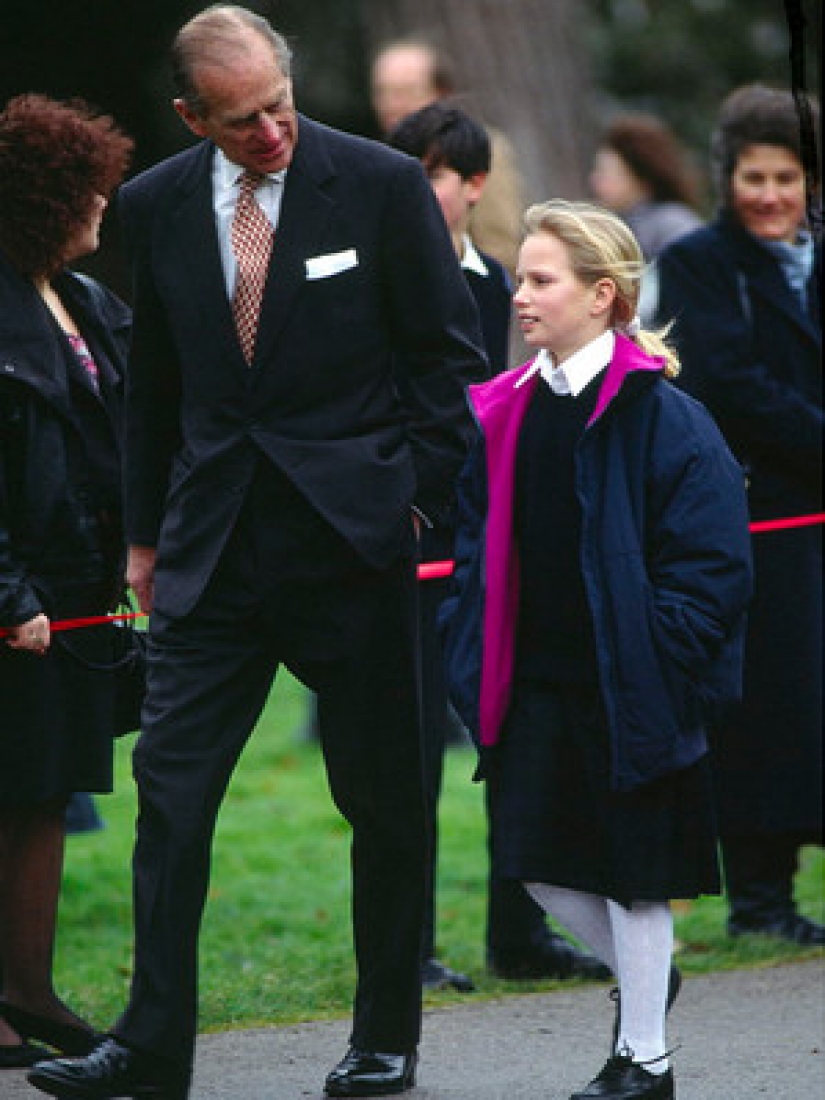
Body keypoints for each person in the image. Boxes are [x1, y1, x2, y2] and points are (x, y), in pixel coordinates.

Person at [26, 7, 486, 1100]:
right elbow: (161, 394)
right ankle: (150, 1047)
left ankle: (384, 1036)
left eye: (278, 104)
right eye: (241, 121)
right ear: (193, 115)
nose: (272, 131)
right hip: (212, 552)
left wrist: (413, 505)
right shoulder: (154, 204)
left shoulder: (377, 185)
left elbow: (446, 362)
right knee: (171, 797)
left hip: (356, 546)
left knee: (383, 801)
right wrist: (144, 537)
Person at [439, 199, 753, 1100]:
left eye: (541, 281)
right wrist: (468, 640)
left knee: (637, 879)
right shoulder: (506, 412)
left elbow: (713, 566)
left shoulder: (667, 417)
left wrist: (660, 655)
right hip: (533, 682)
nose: (520, 297)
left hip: (634, 683)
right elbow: (475, 546)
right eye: (522, 278)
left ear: (601, 295)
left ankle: (644, 1059)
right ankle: (648, 978)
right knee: (533, 864)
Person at [389, 101, 610, 991]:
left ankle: (520, 932)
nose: (416, 191)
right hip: (413, 545)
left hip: (504, 544)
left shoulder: (502, 288)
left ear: (473, 185)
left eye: (433, 174)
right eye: (403, 172)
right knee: (404, 757)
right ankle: (403, 951)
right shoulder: (374, 282)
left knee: (519, 739)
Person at [656, 84, 823, 946]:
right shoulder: (696, 264)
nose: (768, 195)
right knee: (770, 709)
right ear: (726, 178)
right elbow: (727, 380)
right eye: (753, 176)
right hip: (763, 517)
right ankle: (761, 897)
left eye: (785, 177)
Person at [0, 93, 132, 1068]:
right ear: (47, 198)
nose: (102, 208)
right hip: (22, 602)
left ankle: (27, 985)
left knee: (43, 792)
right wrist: (9, 594)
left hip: (76, 594)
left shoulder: (81, 300)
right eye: (89, 191)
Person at [371, 38, 524, 276]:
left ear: (441, 93)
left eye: (407, 91)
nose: (392, 104)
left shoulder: (480, 148)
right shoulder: (373, 157)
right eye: (383, 92)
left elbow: (500, 244)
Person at [589, 113, 704, 322]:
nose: (595, 181)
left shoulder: (673, 226)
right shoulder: (620, 224)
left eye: (606, 172)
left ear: (638, 175)